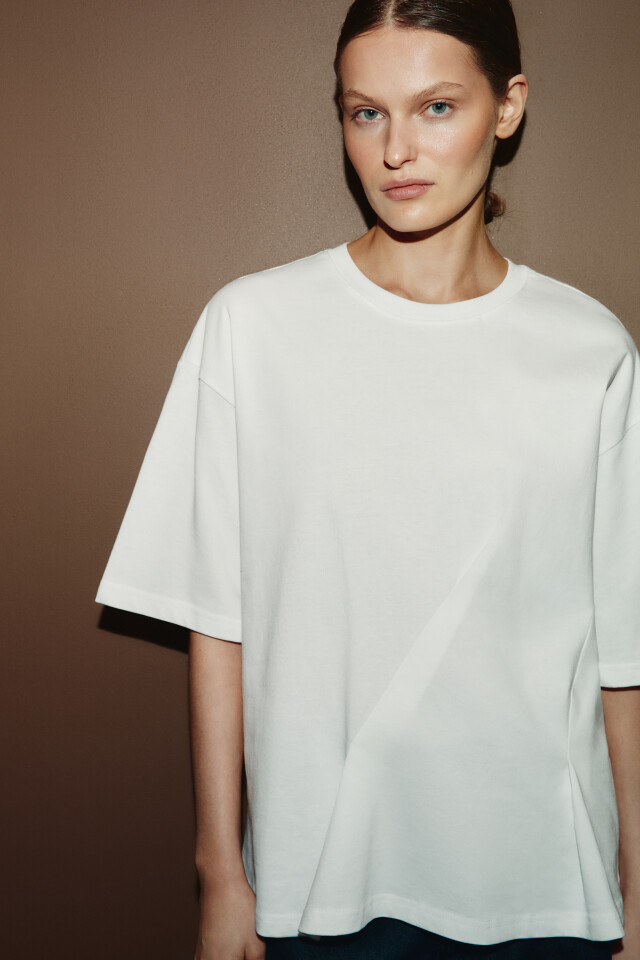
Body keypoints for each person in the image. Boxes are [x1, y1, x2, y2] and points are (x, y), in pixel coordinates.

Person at [94, 0, 640, 958]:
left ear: (508, 106)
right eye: (366, 112)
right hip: (320, 884)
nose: (395, 151)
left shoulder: (588, 348)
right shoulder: (254, 327)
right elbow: (216, 617)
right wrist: (221, 873)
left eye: (437, 107)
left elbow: (623, 650)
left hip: (545, 889)